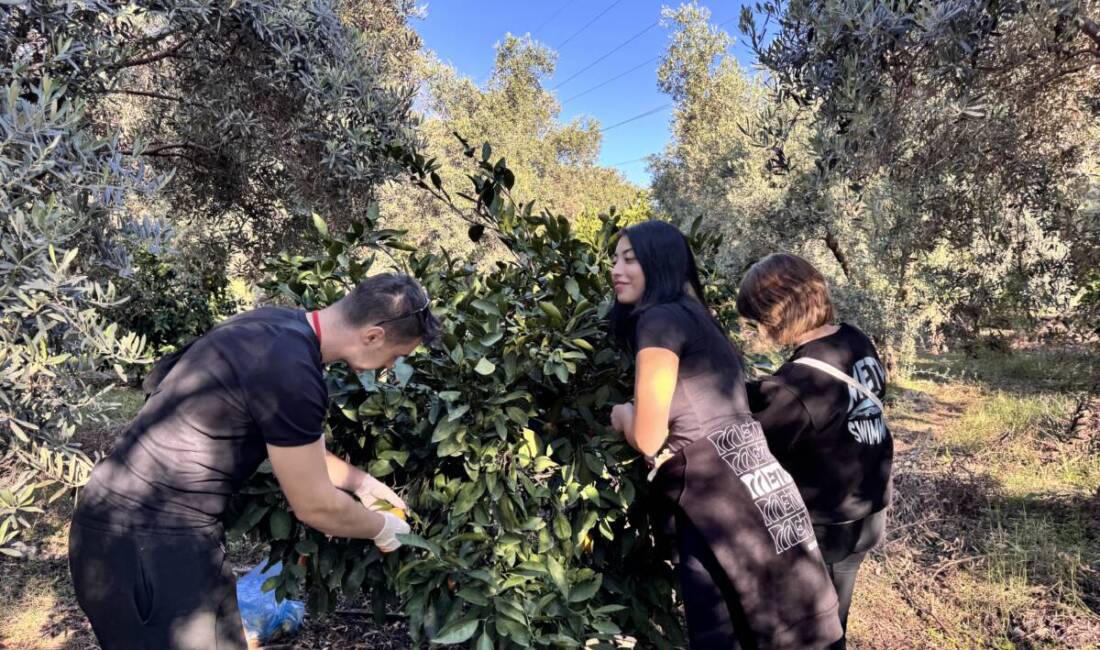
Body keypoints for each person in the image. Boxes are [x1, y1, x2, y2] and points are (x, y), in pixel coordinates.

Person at [69, 272, 439, 650]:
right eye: (396, 355)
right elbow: (316, 506)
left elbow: (298, 451)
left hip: (104, 525)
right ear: (373, 335)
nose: (390, 367)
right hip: (158, 547)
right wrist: (383, 529)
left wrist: (363, 484)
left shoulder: (273, 326)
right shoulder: (293, 373)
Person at [606, 221, 842, 649]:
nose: (615, 269)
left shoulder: (657, 320)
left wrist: (621, 413)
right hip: (762, 488)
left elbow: (647, 435)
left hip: (713, 503)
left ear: (659, 264)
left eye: (630, 259)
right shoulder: (699, 318)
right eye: (614, 259)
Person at [737, 253, 893, 649]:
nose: (758, 331)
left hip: (825, 526)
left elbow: (751, 445)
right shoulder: (854, 338)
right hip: (870, 509)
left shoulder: (795, 385)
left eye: (757, 320)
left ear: (777, 316)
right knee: (836, 615)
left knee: (809, 630)